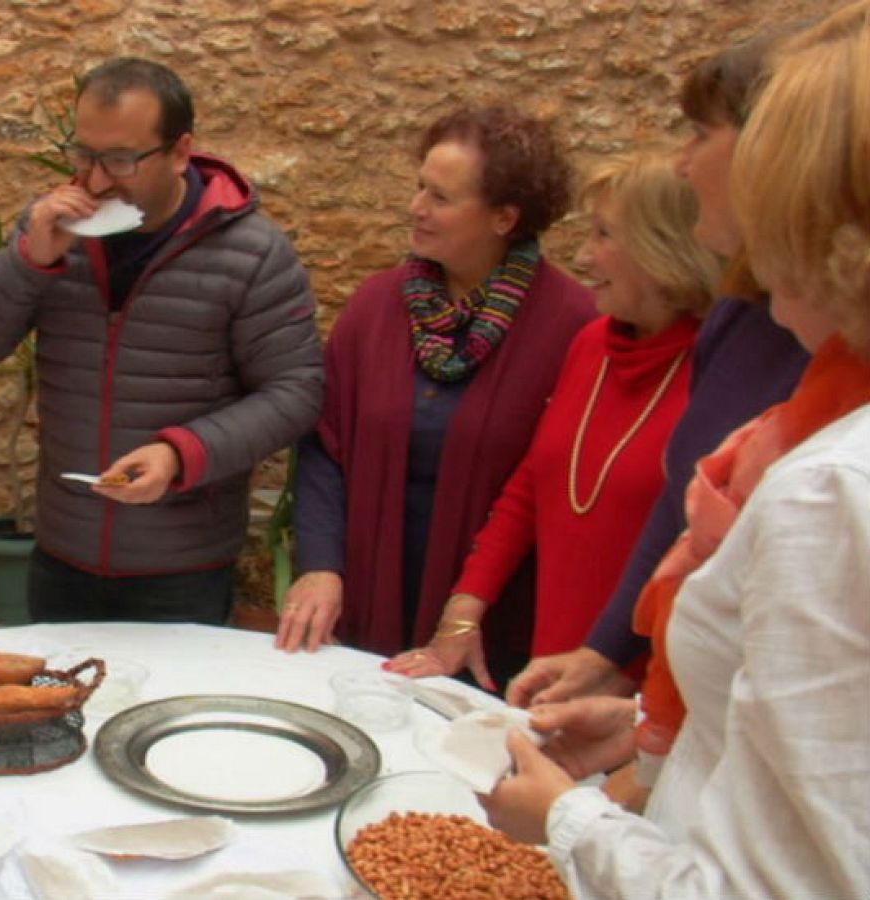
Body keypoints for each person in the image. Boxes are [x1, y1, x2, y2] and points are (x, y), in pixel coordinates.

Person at [485, 8, 870, 896]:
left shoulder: (830, 490)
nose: (685, 160)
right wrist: (647, 732)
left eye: (705, 134)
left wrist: (567, 819)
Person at [0, 57, 323, 625]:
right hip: (62, 555)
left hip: (184, 565)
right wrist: (30, 262)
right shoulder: (50, 229)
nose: (94, 180)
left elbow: (297, 391)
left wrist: (181, 453)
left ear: (180, 150)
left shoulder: (251, 251)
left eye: (120, 159)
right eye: (84, 154)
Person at [505, 26, 812, 709]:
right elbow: (684, 508)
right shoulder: (738, 318)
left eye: (701, 133)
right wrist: (608, 653)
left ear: (779, 151)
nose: (683, 163)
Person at [278, 105, 595, 689]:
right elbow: (324, 446)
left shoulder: (571, 328)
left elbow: (558, 491)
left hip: (495, 624)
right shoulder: (376, 306)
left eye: (441, 197)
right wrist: (321, 565)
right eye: (420, 187)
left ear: (504, 217)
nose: (416, 207)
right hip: (370, 595)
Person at [386, 152, 715, 690]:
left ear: (665, 251)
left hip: (641, 693)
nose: (584, 257)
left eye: (605, 236)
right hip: (556, 670)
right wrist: (462, 614)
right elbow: (530, 489)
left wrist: (633, 692)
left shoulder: (713, 378)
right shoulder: (591, 344)